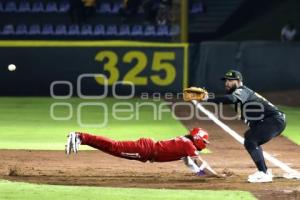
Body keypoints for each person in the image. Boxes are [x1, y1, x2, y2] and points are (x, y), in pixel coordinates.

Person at [206, 70, 286, 183]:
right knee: (251, 138)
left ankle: (263, 173)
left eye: (230, 80)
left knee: (251, 140)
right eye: (226, 81)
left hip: (274, 120)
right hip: (270, 121)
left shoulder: (242, 91)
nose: (226, 83)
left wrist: (207, 98)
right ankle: (264, 172)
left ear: (238, 81)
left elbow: (231, 99)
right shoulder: (238, 93)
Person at [65, 127, 218, 177]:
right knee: (114, 147)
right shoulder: (188, 145)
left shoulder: (186, 144)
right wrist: (215, 175)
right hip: (145, 150)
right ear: (197, 138)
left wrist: (200, 173)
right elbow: (199, 162)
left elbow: (189, 162)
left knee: (113, 148)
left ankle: (82, 138)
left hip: (147, 149)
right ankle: (81, 136)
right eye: (204, 141)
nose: (204, 145)